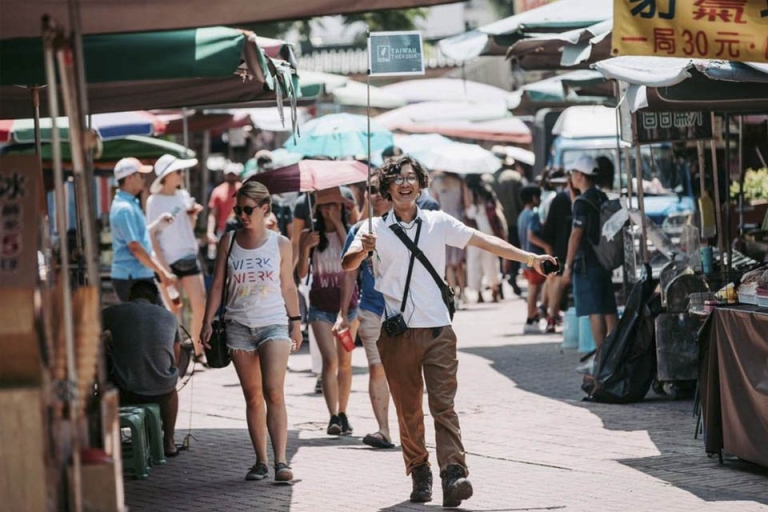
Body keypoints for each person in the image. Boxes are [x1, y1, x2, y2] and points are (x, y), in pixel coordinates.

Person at [342, 155, 555, 508]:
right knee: (408, 411)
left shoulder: (437, 222)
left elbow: (484, 241)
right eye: (398, 179)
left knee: (444, 407)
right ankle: (420, 470)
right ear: (387, 187)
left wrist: (531, 259)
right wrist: (360, 250)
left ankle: (453, 473)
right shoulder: (373, 229)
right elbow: (348, 263)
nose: (405, 184)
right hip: (397, 335)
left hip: (439, 331)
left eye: (412, 177)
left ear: (421, 183)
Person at [200, 181, 302, 483]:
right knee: (254, 396)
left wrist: (295, 322)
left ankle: (281, 460)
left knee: (274, 391)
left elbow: (288, 285)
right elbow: (217, 284)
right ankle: (260, 460)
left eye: (248, 210)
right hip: (238, 325)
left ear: (265, 208)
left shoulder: (280, 243)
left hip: (273, 322)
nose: (242, 215)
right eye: (238, 210)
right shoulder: (228, 240)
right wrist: (206, 321)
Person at [333, 175, 395, 450]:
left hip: (406, 312)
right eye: (372, 190)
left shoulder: (409, 226)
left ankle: (408, 429)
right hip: (371, 309)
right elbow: (348, 273)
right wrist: (343, 313)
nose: (377, 195)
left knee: (405, 373)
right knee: (376, 368)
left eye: (382, 190)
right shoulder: (359, 230)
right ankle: (383, 430)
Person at [297, 187, 359, 436]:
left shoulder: (351, 232)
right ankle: (332, 415)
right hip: (320, 307)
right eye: (324, 206)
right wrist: (304, 250)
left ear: (343, 207)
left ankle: (343, 412)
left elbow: (352, 259)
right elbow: (301, 273)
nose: (328, 210)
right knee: (330, 360)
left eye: (334, 205)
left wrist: (339, 224)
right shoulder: (309, 234)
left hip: (348, 307)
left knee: (345, 362)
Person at [103, 280, 180, 456]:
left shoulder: (116, 312)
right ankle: (169, 442)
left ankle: (106, 443)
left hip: (126, 390)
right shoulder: (169, 316)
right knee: (171, 391)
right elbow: (175, 356)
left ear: (130, 296)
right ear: (156, 299)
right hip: (162, 391)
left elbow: (90, 327)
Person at [146, 154, 207, 359]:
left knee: (200, 303)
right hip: (166, 259)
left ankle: (198, 349)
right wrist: (162, 266)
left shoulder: (183, 195)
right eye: (179, 171)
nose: (182, 175)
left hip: (188, 255)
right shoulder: (154, 201)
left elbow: (187, 227)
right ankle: (178, 353)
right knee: (174, 308)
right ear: (168, 174)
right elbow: (151, 234)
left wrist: (193, 216)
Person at [562, 155, 618, 348]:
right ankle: (617, 353)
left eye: (573, 173)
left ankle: (601, 357)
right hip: (604, 260)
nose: (572, 177)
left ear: (580, 175)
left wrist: (567, 266)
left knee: (596, 311)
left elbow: (576, 234)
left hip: (587, 263)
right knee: (609, 309)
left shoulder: (581, 203)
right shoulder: (601, 197)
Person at [109, 157, 176, 304]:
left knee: (155, 322)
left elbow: (139, 238)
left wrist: (157, 224)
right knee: (158, 322)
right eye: (141, 175)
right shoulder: (125, 209)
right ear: (130, 178)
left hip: (137, 276)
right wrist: (161, 271)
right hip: (132, 278)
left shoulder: (129, 204)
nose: (144, 179)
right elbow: (135, 247)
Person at [464, 175, 506, 303]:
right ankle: (494, 288)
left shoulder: (469, 193)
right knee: (491, 262)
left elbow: (468, 212)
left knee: (475, 262)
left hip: (473, 232)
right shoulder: (487, 191)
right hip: (489, 230)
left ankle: (479, 292)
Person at [541, 170, 573, 333]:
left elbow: (548, 229)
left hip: (560, 249)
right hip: (561, 250)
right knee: (556, 283)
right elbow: (549, 229)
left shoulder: (561, 199)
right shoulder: (561, 200)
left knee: (555, 282)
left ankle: (549, 313)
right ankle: (551, 317)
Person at [518, 185, 551, 334]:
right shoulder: (533, 215)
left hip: (525, 257)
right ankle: (531, 318)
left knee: (533, 288)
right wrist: (546, 246)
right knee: (534, 288)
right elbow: (531, 235)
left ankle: (532, 316)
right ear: (533, 198)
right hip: (533, 258)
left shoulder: (522, 215)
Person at [430, 171, 467, 301]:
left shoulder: (436, 183)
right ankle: (463, 292)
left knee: (448, 263)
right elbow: (467, 204)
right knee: (458, 262)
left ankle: (454, 294)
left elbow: (434, 205)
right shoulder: (460, 182)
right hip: (458, 221)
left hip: (442, 223)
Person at [492, 159, 525, 296]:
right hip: (514, 220)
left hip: (496, 221)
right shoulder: (514, 177)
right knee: (514, 248)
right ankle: (513, 274)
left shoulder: (491, 177)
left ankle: (499, 281)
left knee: (496, 249)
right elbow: (521, 199)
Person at [206, 162, 242, 246]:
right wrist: (210, 232)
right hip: (223, 230)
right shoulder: (218, 191)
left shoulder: (243, 189)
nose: (231, 177)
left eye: (233, 174)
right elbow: (213, 214)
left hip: (240, 229)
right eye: (229, 174)